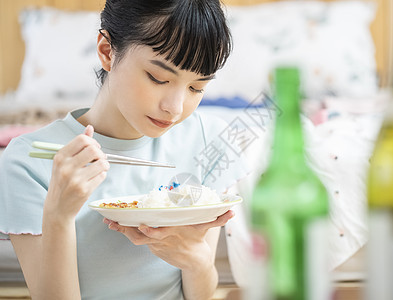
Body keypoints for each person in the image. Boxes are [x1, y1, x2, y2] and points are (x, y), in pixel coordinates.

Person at [0, 0, 248, 299]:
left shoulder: (207, 139)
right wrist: (58, 215)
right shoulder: (28, 160)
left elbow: (201, 294)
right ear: (107, 51)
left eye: (197, 88)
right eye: (158, 78)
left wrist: (196, 262)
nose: (175, 107)